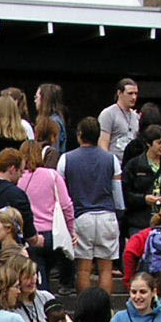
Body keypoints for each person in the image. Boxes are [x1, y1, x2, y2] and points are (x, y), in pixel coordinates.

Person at [60, 115, 120, 295]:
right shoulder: (112, 159)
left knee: (83, 270)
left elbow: (62, 194)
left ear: (79, 135)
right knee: (106, 269)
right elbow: (118, 194)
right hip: (107, 216)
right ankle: (105, 311)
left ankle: (84, 309)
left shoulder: (66, 159)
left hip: (80, 217)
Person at [17, 140, 75, 294]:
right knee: (48, 270)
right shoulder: (52, 175)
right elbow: (66, 205)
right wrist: (71, 230)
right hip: (52, 234)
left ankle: (44, 305)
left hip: (30, 234)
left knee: (39, 276)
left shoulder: (18, 179)